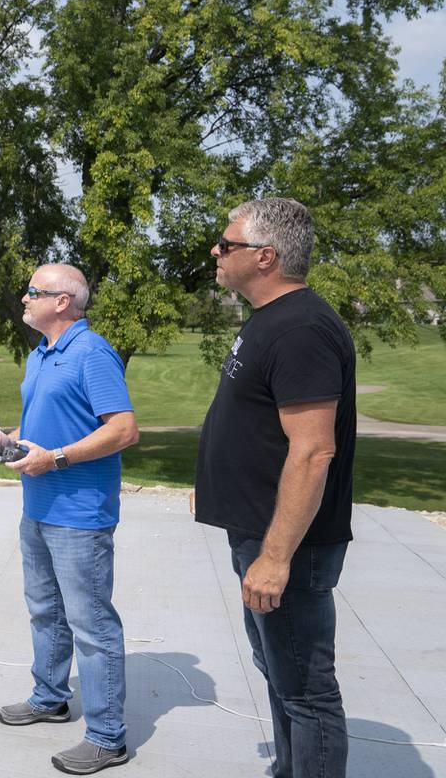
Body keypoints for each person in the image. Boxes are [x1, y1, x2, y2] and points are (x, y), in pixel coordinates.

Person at [195, 198, 355, 778]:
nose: (216, 251)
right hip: (257, 534)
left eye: (226, 244)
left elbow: (314, 452)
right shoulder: (270, 319)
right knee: (282, 674)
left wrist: (275, 557)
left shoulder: (302, 328)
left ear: (265, 257)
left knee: (307, 691)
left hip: (288, 546)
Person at [0, 263, 139, 775]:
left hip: (79, 514)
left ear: (62, 302)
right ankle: (50, 699)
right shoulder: (40, 354)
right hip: (37, 509)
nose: (24, 297)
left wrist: (55, 458)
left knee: (92, 624)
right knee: (45, 611)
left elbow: (123, 431)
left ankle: (107, 737)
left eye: (33, 291)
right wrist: (9, 440)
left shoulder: (92, 351)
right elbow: (46, 421)